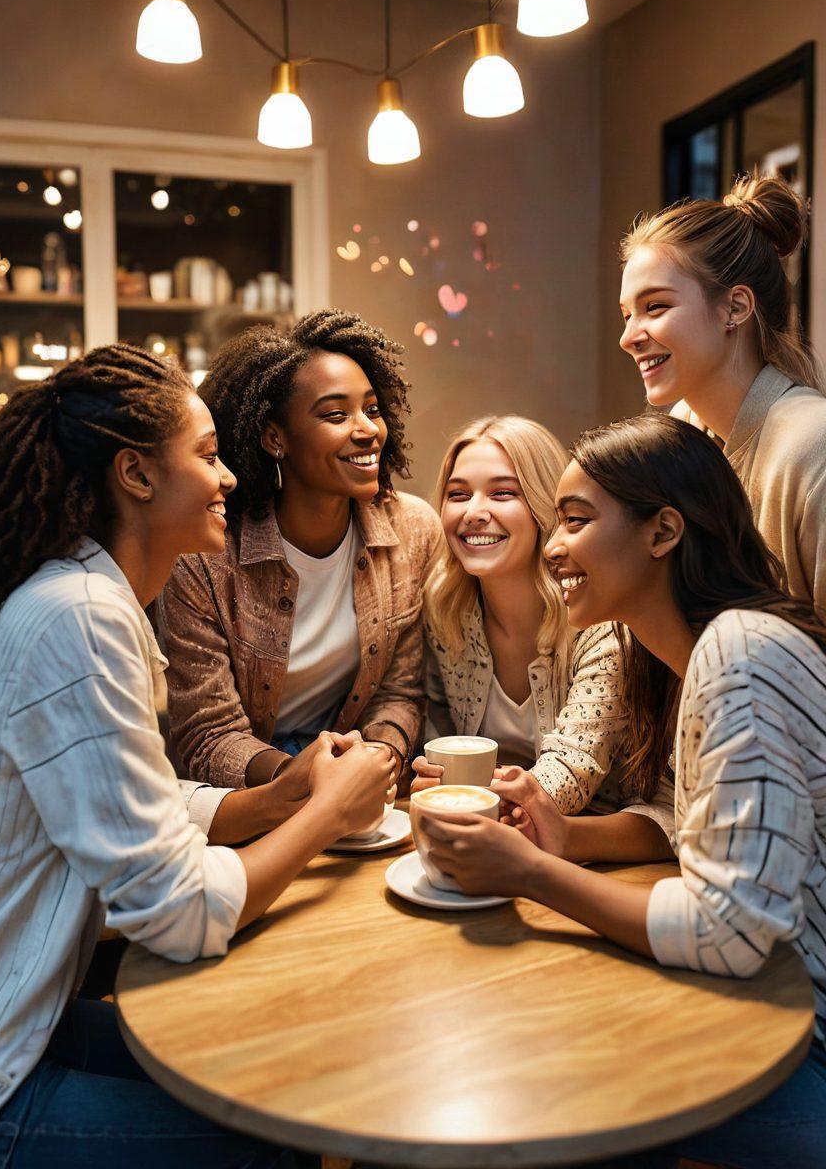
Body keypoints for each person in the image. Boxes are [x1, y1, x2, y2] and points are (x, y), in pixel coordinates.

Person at [0, 344, 394, 1166]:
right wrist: (328, 813)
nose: (230, 479)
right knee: (284, 1141)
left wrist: (286, 793)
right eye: (208, 457)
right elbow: (176, 915)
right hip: (10, 1064)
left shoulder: (91, 597)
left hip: (33, 1014)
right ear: (137, 477)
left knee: (280, 1066)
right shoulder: (81, 619)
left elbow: (141, 798)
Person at [420, 414, 826, 1168]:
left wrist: (535, 871)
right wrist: (566, 837)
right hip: (768, 1006)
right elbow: (690, 826)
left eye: (574, 521)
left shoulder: (741, 655)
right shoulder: (685, 655)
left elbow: (728, 936)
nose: (552, 545)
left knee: (549, 1076)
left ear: (663, 531)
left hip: (803, 1043)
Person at [157, 310, 440, 796]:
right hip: (249, 790)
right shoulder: (204, 555)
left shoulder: (411, 530)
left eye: (372, 410)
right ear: (274, 438)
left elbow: (400, 692)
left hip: (359, 776)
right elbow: (208, 734)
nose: (367, 430)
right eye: (336, 415)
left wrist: (377, 759)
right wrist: (305, 779)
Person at [413, 415, 670, 846]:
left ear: (544, 508)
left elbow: (573, 769)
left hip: (609, 844)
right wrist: (436, 780)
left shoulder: (602, 623)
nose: (474, 513)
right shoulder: (446, 611)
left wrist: (473, 800)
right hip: (500, 837)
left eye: (502, 493)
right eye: (458, 495)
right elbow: (440, 732)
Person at [619, 171, 826, 620]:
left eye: (655, 306)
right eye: (626, 314)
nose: (629, 336)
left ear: (735, 307)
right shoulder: (683, 428)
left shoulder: (812, 445)